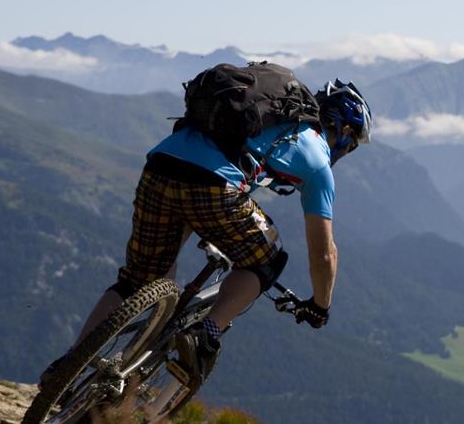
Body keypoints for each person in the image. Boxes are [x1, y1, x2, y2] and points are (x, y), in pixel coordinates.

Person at [40, 74, 372, 386]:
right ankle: (207, 330)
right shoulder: (317, 159)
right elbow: (324, 254)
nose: (348, 151)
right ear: (343, 131)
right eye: (352, 144)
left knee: (137, 280)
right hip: (214, 188)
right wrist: (319, 306)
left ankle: (70, 364)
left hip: (159, 167)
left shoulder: (267, 116)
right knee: (268, 258)